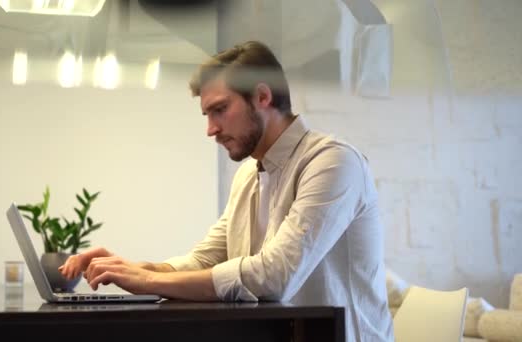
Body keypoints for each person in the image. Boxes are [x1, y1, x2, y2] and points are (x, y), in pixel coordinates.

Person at [59, 41, 393, 341]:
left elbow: (275, 276)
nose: (210, 129)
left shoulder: (333, 162)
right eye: (207, 115)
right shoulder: (249, 174)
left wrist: (146, 282)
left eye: (219, 110)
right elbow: (204, 260)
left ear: (262, 97)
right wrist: (128, 269)